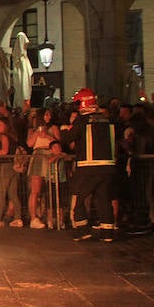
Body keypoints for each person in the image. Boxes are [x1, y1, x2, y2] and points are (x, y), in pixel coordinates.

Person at [61, 87, 120, 241]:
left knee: (79, 200)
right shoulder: (109, 120)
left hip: (87, 167)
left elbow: (69, 138)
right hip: (108, 168)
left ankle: (82, 230)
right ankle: (108, 233)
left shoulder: (83, 120)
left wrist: (63, 130)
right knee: (103, 200)